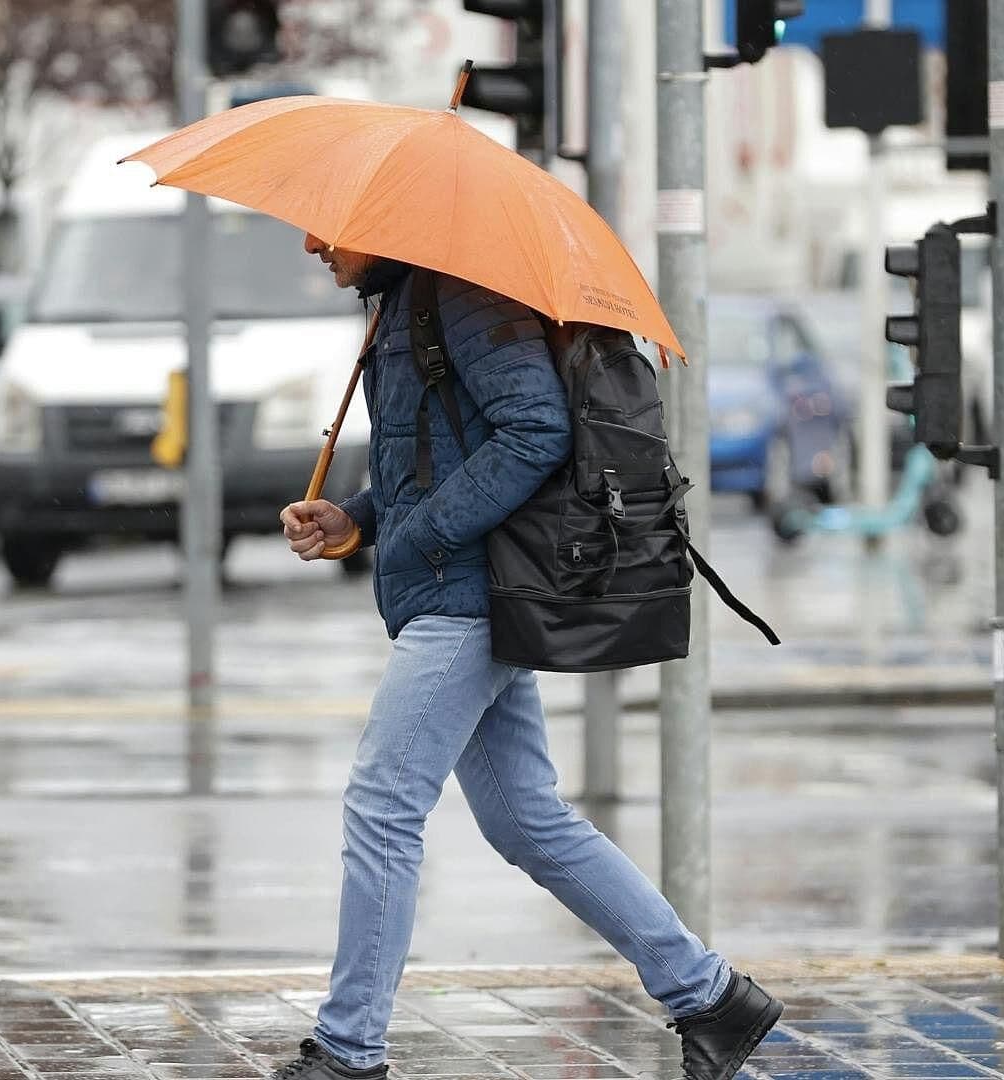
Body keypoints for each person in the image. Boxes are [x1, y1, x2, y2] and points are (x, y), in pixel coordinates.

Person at [274, 236, 781, 1080]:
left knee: (382, 806)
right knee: (525, 819)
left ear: (388, 223)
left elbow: (536, 429)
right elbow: (437, 450)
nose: (314, 243)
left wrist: (425, 532)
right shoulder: (404, 302)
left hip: (464, 595)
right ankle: (711, 998)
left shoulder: (460, 294)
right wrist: (357, 515)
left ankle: (348, 1049)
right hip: (452, 588)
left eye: (330, 228)